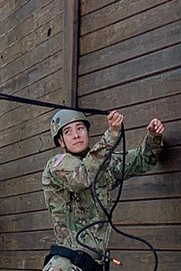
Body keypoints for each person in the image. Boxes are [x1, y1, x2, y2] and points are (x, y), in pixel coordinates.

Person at [40, 110, 165, 271]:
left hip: (94, 264)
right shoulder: (56, 165)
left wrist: (154, 137)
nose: (76, 135)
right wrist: (111, 135)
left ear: (87, 132)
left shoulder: (104, 163)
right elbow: (82, 178)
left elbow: (142, 160)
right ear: (61, 141)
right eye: (68, 132)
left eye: (80, 128)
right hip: (65, 265)